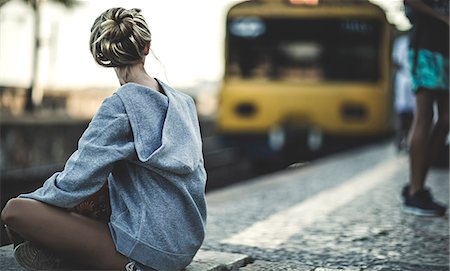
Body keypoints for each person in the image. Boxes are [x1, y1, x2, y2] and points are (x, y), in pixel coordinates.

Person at [1, 7, 207, 271]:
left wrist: (35, 201)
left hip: (149, 253)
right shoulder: (184, 103)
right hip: (185, 244)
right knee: (102, 189)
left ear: (104, 55)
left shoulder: (121, 105)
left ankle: (65, 257)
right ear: (147, 47)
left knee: (15, 212)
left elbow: (75, 181)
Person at [402, 0, 449, 217]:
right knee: (425, 116)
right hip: (427, 47)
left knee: (447, 119)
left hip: (446, 49)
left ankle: (417, 183)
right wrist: (442, 18)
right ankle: (415, 190)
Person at [392, 32, 415, 152]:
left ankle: (408, 140)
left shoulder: (416, 38)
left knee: (414, 113)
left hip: (414, 77)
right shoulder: (401, 41)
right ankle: (400, 138)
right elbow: (396, 61)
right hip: (404, 78)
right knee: (401, 112)